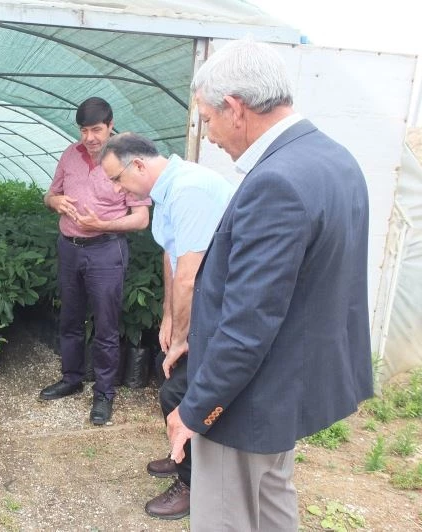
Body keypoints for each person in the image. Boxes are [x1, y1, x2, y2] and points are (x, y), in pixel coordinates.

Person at [166, 39, 373, 530]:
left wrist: (195, 409)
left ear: (234, 108)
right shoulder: (334, 158)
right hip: (287, 389)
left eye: (208, 119)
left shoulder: (275, 182)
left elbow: (248, 323)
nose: (209, 135)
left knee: (226, 517)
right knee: (272, 501)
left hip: (250, 401)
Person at [100, 132, 233, 520]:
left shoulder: (189, 190)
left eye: (117, 179)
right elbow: (171, 255)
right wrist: (169, 318)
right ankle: (183, 456)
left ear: (139, 165)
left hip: (221, 311)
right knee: (173, 382)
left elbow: (189, 277)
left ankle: (193, 483)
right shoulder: (167, 190)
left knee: (180, 391)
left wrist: (181, 338)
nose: (117, 189)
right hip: (201, 306)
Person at [39, 97, 151, 425]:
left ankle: (104, 393)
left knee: (105, 325)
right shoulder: (70, 155)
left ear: (111, 125)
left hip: (106, 249)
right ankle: (71, 378)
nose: (89, 138)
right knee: (70, 319)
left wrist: (102, 224)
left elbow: (141, 218)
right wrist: (55, 202)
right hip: (69, 248)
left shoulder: (126, 161)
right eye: (84, 130)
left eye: (97, 130)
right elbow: (49, 195)